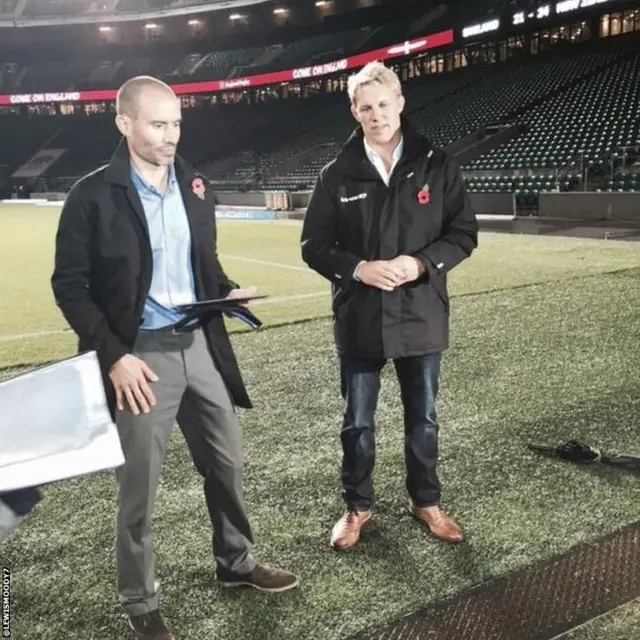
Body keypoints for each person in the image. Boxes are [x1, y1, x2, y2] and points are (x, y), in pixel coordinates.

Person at [51, 76, 298, 640]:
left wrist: (227, 290)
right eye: (158, 124)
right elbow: (70, 286)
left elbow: (199, 263)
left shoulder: (194, 183)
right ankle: (140, 601)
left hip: (200, 344)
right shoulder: (92, 195)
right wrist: (113, 357)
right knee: (139, 486)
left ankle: (235, 564)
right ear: (124, 124)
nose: (171, 135)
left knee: (227, 463)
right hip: (138, 357)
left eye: (177, 123)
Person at [300, 61, 478, 552]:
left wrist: (420, 265)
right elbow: (314, 245)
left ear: (400, 101)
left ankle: (427, 502)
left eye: (384, 103)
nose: (377, 114)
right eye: (366, 107)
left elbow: (463, 234)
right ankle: (357, 507)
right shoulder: (335, 174)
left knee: (423, 419)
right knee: (357, 422)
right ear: (354, 112)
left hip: (421, 313)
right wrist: (359, 268)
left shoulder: (438, 164)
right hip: (360, 316)